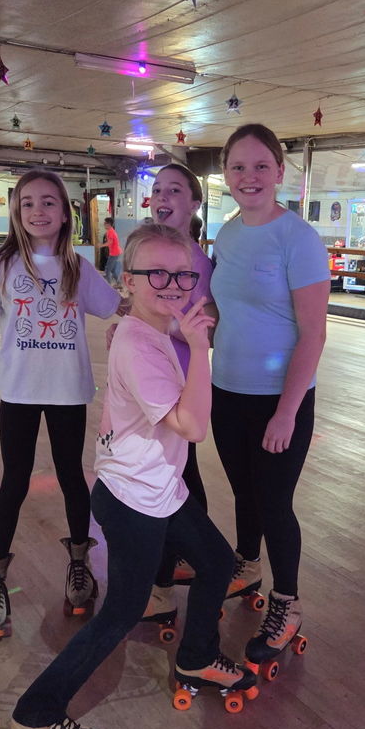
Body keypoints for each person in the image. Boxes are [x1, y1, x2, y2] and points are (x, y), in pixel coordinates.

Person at [7, 223, 255, 729]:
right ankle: (37, 710)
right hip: (134, 500)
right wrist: (198, 345)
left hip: (160, 487)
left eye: (184, 274)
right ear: (128, 280)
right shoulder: (141, 345)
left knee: (216, 563)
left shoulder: (151, 330)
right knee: (119, 613)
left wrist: (186, 340)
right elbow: (191, 425)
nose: (173, 284)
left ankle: (196, 658)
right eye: (157, 274)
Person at [0, 169, 122, 640]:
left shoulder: (79, 267)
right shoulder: (1, 265)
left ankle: (79, 565)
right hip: (18, 393)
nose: (38, 211)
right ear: (16, 210)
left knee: (73, 477)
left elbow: (120, 309)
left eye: (49, 202)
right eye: (29, 202)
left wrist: (169, 324)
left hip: (68, 393)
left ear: (64, 212)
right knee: (13, 482)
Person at [210, 123, 330, 670]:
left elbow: (313, 332)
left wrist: (287, 410)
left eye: (261, 166)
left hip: (278, 399)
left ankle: (288, 604)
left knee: (275, 503)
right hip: (226, 390)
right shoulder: (228, 233)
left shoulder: (298, 239)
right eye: (238, 167)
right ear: (226, 176)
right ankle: (246, 562)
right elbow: (225, 312)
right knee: (243, 491)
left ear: (280, 172)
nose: (249, 176)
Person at [141, 164, 213, 625]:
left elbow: (200, 328)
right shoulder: (155, 254)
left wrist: (145, 323)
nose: (162, 196)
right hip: (153, 383)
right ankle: (185, 565)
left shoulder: (199, 264)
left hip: (179, 387)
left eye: (174, 190)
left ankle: (168, 582)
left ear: (193, 204)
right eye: (157, 190)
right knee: (176, 476)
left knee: (175, 481)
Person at [100, 217, 122, 286]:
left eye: (105, 223)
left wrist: (101, 246)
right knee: (112, 269)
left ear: (109, 224)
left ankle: (108, 286)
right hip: (115, 252)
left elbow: (110, 242)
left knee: (107, 270)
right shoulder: (110, 231)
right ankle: (119, 283)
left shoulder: (110, 232)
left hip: (114, 253)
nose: (104, 224)